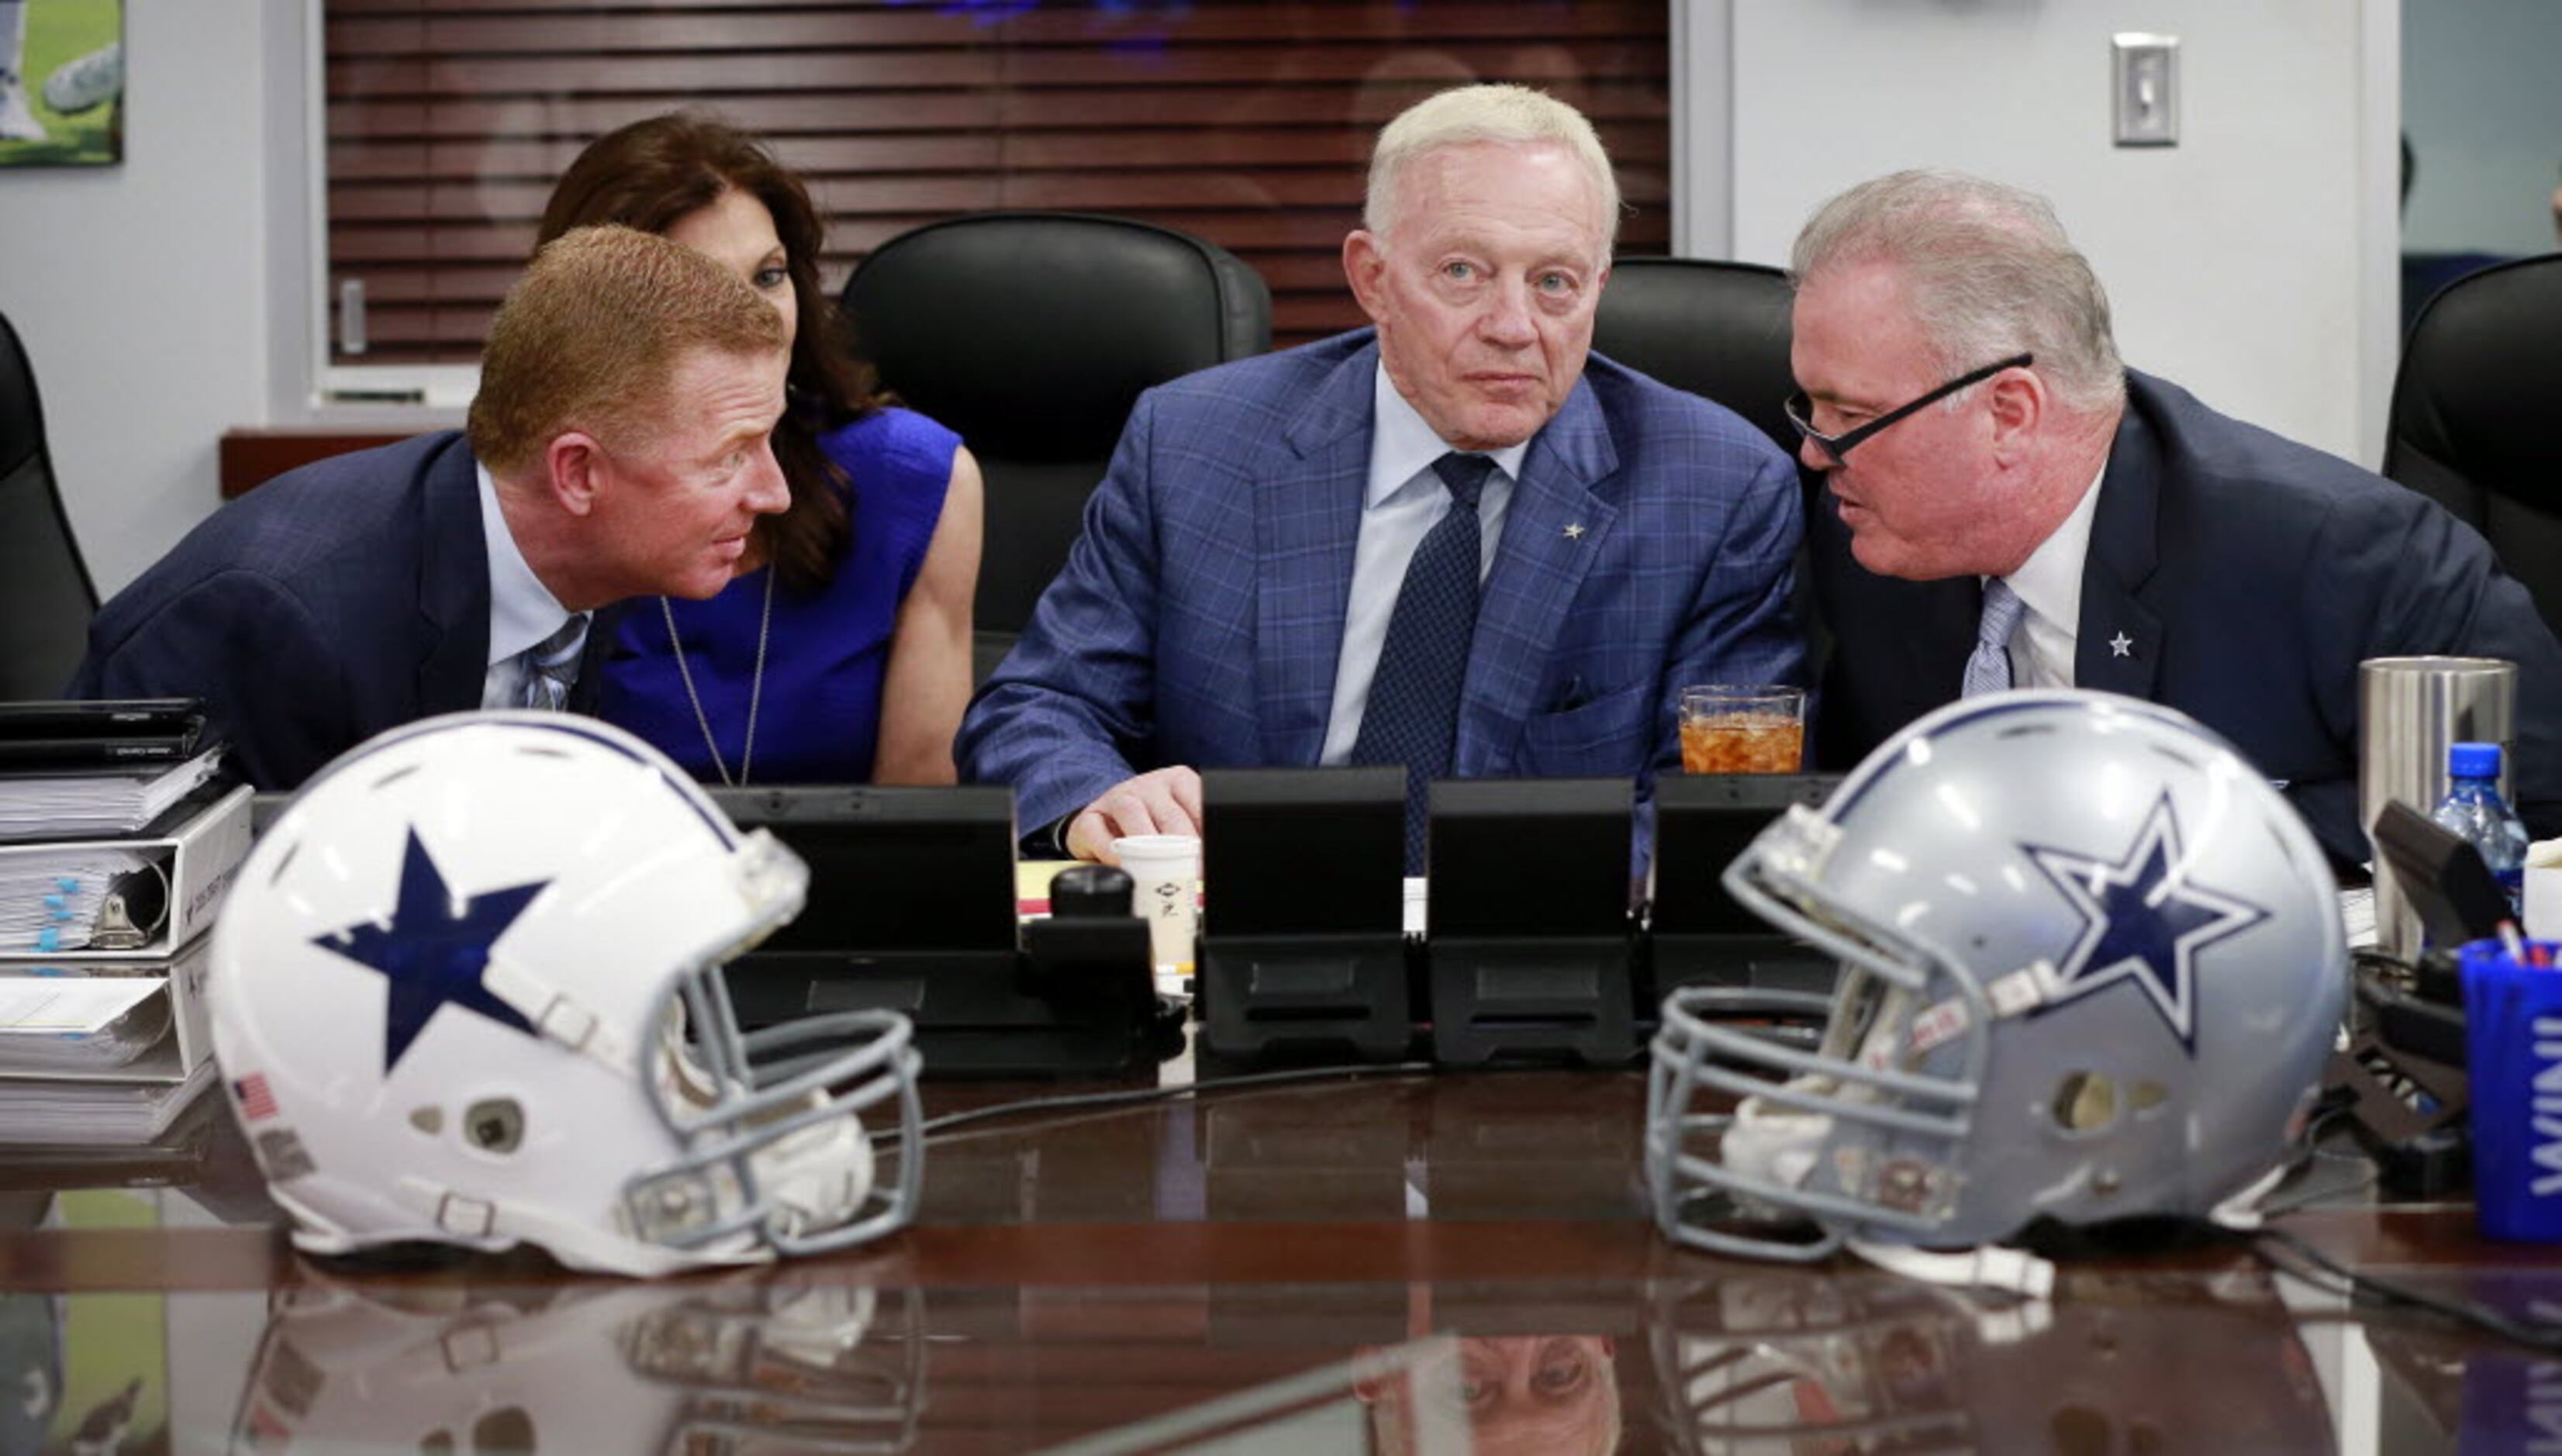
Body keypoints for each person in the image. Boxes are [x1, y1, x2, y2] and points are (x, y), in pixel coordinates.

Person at [958, 84, 1804, 868]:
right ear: (1372, 278)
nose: (1513, 326)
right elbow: (1039, 708)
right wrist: (1101, 803)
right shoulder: (1194, 445)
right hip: (1244, 933)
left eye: (1553, 283)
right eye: (1462, 274)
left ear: (1597, 288)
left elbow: (1720, 810)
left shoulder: (1714, 489)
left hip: (1533, 956)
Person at [1788, 168, 2562, 864]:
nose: (1815, 456)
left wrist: (2194, 846)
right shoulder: (1874, 544)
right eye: (1808, 406)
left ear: (2009, 414)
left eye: (1848, 414)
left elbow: (2532, 799)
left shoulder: (2342, 551)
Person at [69, 225, 792, 790]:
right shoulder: (281, 621)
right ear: (577, 473)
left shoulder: (583, 559)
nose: (774, 493)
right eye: (731, 455)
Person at [537, 111, 982, 786]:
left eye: (769, 276)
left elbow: (921, 817)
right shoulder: (547, 494)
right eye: (702, 288)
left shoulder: (913, 481)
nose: (756, 319)